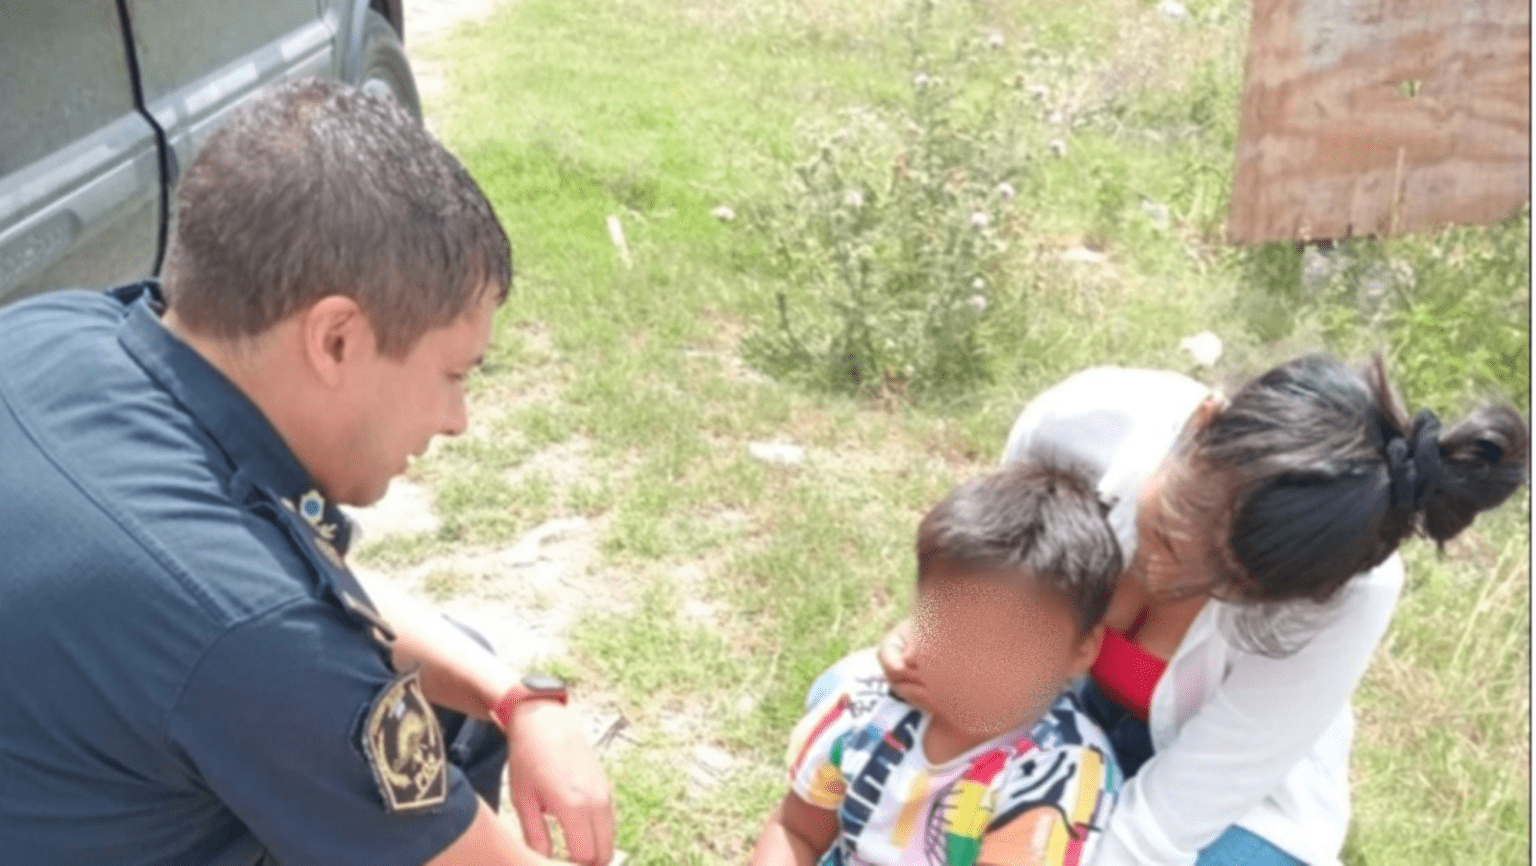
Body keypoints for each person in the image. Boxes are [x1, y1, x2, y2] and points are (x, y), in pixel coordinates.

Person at [0, 79, 614, 865]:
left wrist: (515, 695)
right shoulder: (255, 638)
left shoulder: (53, 330)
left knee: (453, 687)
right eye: (453, 376)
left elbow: (295, 586)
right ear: (335, 341)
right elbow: (265, 623)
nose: (457, 419)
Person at [877, 359, 1528, 865]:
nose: (1171, 576)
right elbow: (993, 573)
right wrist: (939, 634)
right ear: (1200, 424)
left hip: (1227, 798)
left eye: (1231, 586)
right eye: (1168, 532)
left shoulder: (1355, 591)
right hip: (1050, 712)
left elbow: (1166, 822)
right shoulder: (1082, 423)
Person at [752, 462, 1126, 866]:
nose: (974, 665)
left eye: (1011, 645)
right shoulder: (866, 706)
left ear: (1081, 651)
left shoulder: (1061, 773)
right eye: (952, 630)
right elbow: (797, 830)